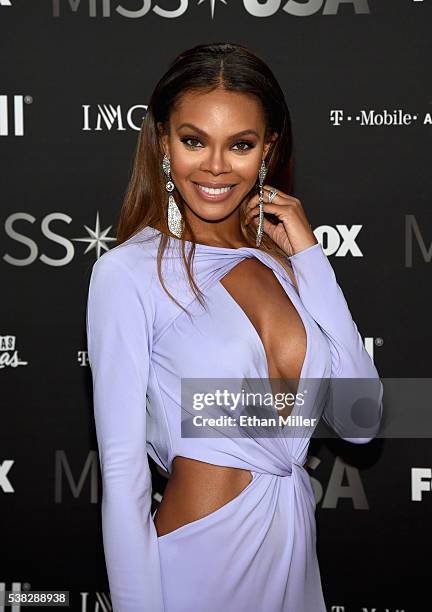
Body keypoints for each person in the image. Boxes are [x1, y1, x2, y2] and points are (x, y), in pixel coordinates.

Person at [86, 42, 383, 612]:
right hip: (202, 554)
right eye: (193, 139)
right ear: (163, 143)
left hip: (291, 548)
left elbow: (361, 419)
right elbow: (122, 471)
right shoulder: (128, 272)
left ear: (266, 149)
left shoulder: (281, 265)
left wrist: (309, 256)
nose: (216, 166)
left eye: (240, 145)